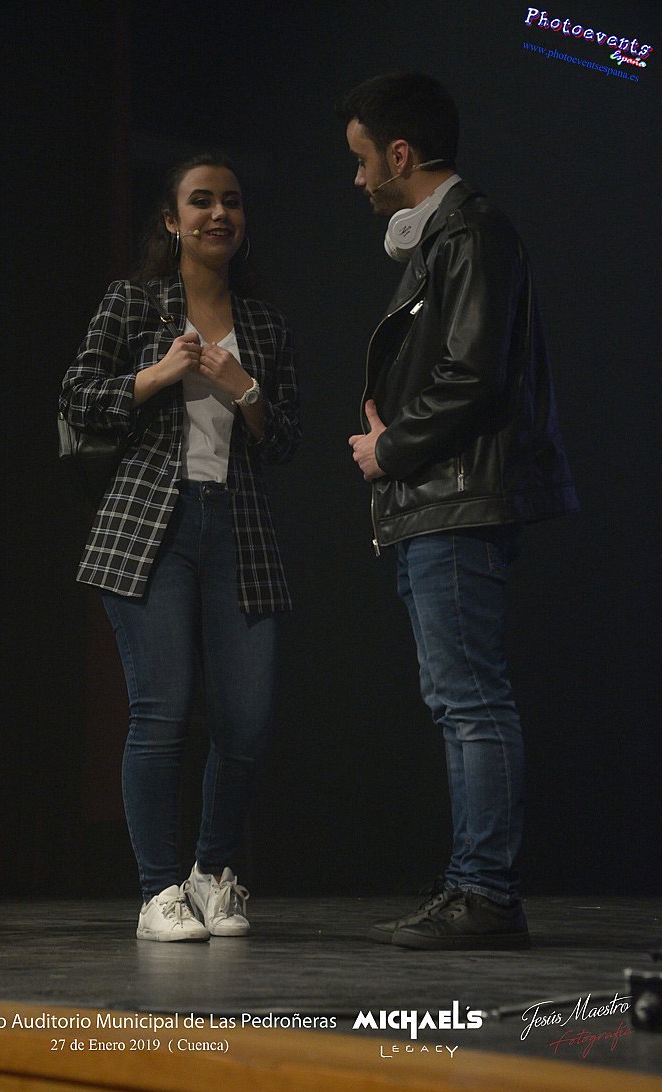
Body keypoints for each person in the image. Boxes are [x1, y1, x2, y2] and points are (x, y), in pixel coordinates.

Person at [340, 72, 578, 950]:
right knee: (457, 701)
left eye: (362, 159)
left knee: (469, 700)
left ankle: (485, 893)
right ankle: (472, 885)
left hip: (454, 500)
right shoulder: (445, 239)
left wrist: (391, 449)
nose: (357, 179)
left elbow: (471, 375)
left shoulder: (471, 232)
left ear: (400, 154)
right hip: (433, 501)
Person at [60, 153, 299, 942]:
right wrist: (158, 374)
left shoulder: (263, 323)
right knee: (160, 713)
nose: (218, 214)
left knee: (247, 723)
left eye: (231, 201)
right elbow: (77, 396)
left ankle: (210, 872)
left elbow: (285, 438)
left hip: (239, 529)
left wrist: (245, 389)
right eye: (201, 201)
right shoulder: (133, 302)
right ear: (171, 220)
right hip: (149, 525)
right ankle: (156, 891)